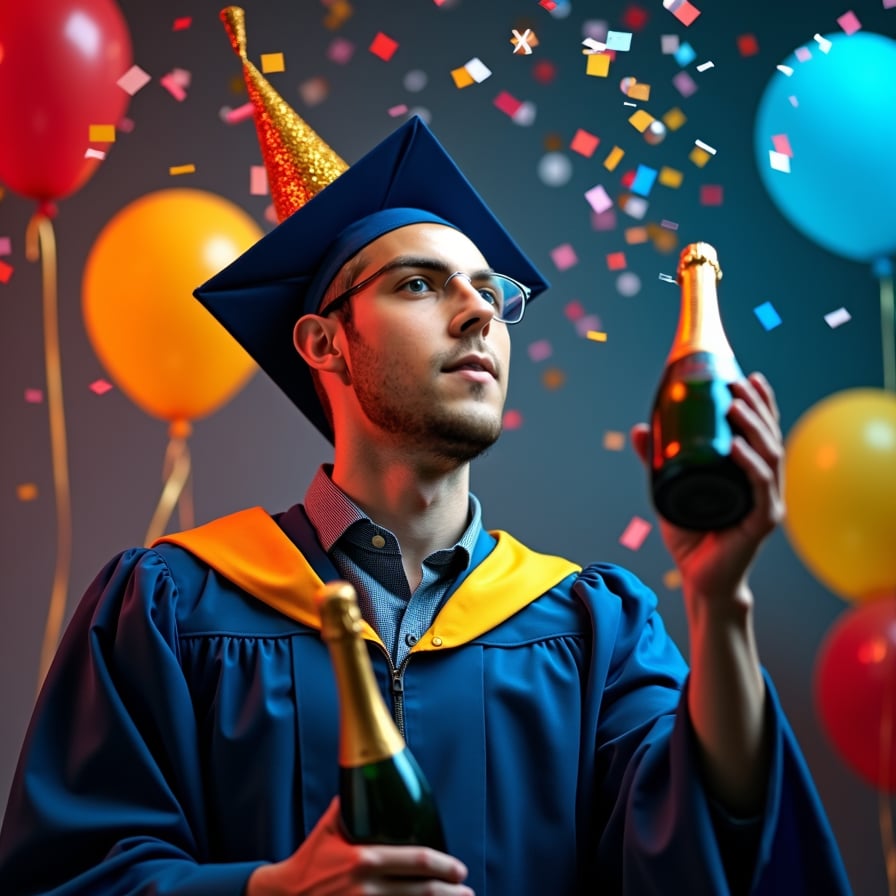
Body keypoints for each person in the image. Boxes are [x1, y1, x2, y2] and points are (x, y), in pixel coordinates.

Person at [0, 13, 852, 895]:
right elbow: (69, 876)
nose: (478, 311)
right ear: (325, 344)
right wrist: (273, 892)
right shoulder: (172, 608)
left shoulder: (594, 631)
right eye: (419, 284)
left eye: (490, 291)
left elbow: (704, 851)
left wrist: (720, 599)